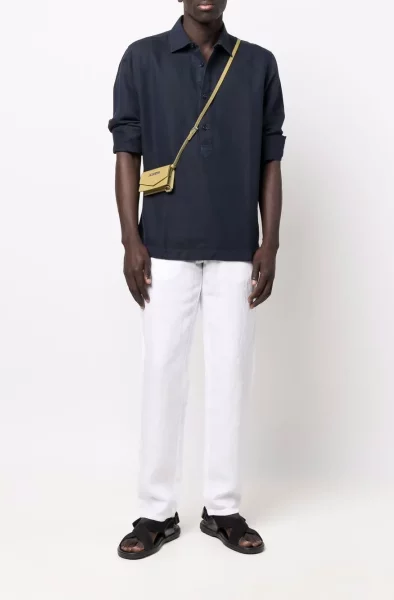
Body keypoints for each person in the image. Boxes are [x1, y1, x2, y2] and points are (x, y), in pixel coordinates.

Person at [108, 0, 285, 559]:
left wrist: (270, 242)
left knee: (230, 373)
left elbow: (271, 157)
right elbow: (127, 150)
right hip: (163, 245)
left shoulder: (258, 64)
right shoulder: (141, 59)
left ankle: (223, 507)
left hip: (236, 245)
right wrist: (131, 239)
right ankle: (156, 511)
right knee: (162, 372)